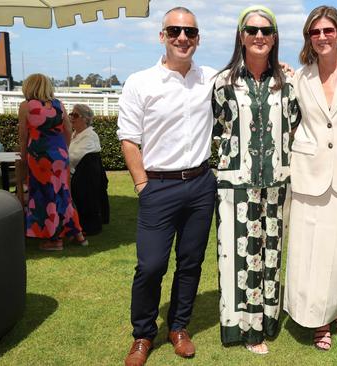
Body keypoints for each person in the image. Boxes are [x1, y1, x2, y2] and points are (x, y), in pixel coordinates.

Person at [117, 7, 217, 366]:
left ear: (198, 39)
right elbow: (128, 139)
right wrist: (143, 184)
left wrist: (282, 68)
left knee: (190, 263)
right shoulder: (140, 82)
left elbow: (251, 77)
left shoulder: (211, 79)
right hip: (158, 186)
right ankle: (143, 334)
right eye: (174, 31)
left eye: (189, 33)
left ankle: (178, 327)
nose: (182, 38)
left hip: (201, 184)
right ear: (162, 36)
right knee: (151, 265)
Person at [211, 5, 300, 355]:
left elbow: (296, 127)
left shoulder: (288, 83)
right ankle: (244, 329)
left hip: (277, 186)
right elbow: (214, 129)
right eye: (252, 30)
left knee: (271, 255)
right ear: (241, 36)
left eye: (266, 31)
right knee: (239, 257)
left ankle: (267, 321)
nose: (259, 36)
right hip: (236, 187)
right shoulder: (223, 82)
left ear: (274, 37)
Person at [283, 5, 337, 351]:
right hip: (308, 173)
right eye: (315, 32)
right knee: (307, 250)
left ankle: (336, 309)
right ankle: (316, 317)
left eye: (327, 30)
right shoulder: (298, 77)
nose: (322, 37)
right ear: (309, 37)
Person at [18, 73, 86, 251]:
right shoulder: (58, 105)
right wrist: (62, 150)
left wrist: (23, 157)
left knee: (44, 196)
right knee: (62, 193)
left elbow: (23, 136)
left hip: (39, 157)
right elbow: (68, 129)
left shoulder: (26, 106)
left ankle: (54, 239)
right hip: (60, 155)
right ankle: (76, 233)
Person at [69, 104, 109, 236]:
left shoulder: (90, 135)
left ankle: (87, 225)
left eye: (75, 115)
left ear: (85, 119)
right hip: (78, 173)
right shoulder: (75, 134)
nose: (71, 118)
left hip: (87, 177)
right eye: (71, 114)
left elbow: (74, 157)